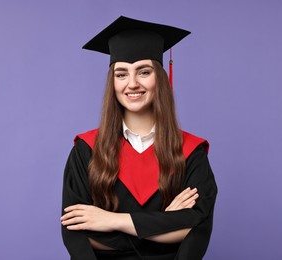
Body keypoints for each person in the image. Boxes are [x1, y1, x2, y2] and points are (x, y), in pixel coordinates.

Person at [61, 16, 217, 260]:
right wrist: (166, 224)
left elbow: (197, 229)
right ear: (112, 82)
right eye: (121, 74)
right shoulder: (86, 150)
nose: (132, 84)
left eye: (144, 72)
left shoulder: (191, 152)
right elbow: (75, 232)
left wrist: (111, 221)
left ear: (160, 79)